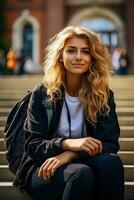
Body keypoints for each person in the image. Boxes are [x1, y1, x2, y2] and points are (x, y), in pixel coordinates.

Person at [14, 26, 124, 200]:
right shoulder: (43, 94)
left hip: (83, 161)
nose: (78, 57)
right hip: (44, 167)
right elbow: (33, 145)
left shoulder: (102, 95)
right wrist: (66, 143)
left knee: (111, 163)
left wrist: (70, 153)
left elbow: (110, 143)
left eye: (85, 51)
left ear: (92, 58)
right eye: (71, 51)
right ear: (60, 55)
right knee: (80, 174)